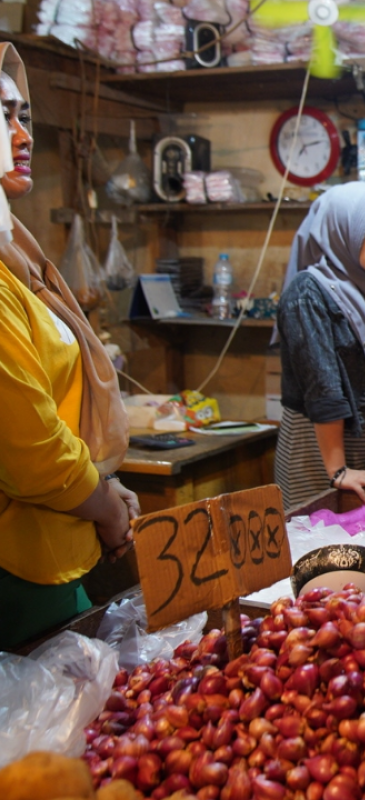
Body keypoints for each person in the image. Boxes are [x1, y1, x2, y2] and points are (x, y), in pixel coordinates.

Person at [0, 42, 138, 649]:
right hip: (15, 570)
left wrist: (103, 483)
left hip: (55, 551)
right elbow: (29, 448)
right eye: (2, 116)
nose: (21, 134)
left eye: (23, 115)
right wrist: (105, 507)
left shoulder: (17, 259)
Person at [274, 182, 365, 510]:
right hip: (317, 454)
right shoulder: (308, 294)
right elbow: (322, 389)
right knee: (320, 546)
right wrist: (337, 470)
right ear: (344, 234)